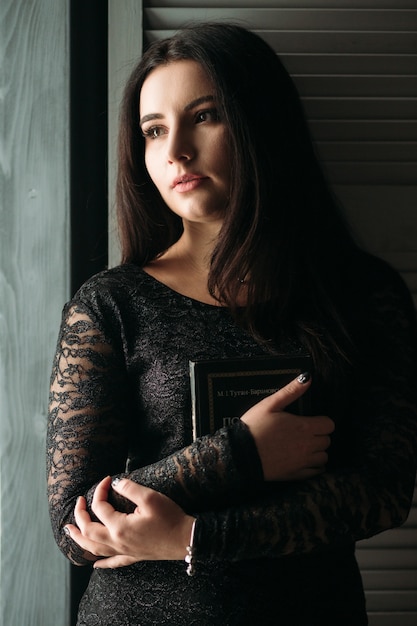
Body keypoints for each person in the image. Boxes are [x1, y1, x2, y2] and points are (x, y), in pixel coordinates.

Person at [47, 22, 417, 625]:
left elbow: (382, 493)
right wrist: (239, 455)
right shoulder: (111, 304)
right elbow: (76, 525)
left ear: (259, 123)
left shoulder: (361, 295)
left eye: (205, 116)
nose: (176, 152)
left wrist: (194, 538)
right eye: (154, 131)